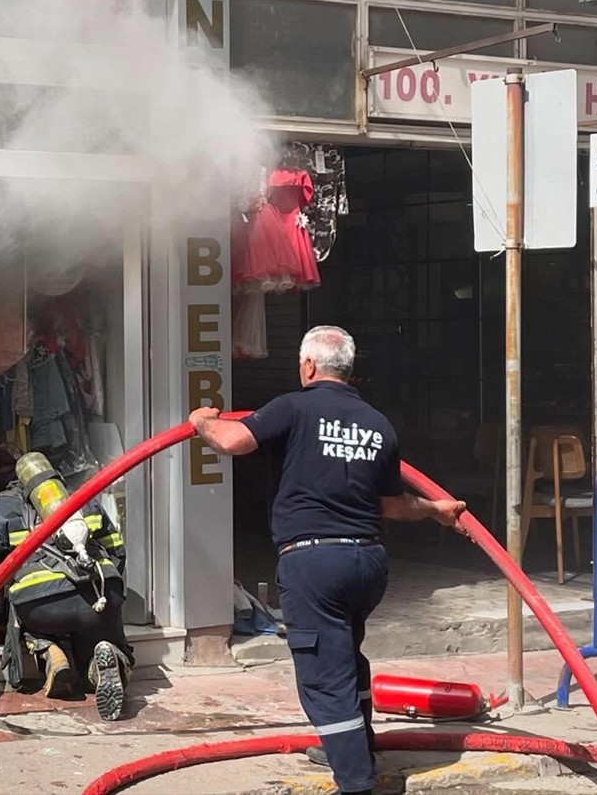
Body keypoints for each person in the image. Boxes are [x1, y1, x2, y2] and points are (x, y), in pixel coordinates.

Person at [189, 325, 466, 795]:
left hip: (314, 563)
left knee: (324, 678)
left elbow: (233, 441)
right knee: (346, 658)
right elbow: (394, 505)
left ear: (309, 366)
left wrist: (202, 421)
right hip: (366, 564)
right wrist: (435, 511)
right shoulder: (377, 423)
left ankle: (356, 782)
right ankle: (357, 745)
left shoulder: (294, 407)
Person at [0, 450, 134, 721]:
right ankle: (105, 660)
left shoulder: (0, 508)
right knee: (98, 635)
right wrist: (111, 597)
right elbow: (117, 551)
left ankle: (50, 653)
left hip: (42, 606)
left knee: (28, 619)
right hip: (98, 594)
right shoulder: (83, 498)